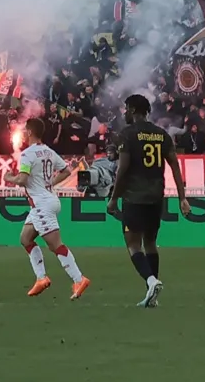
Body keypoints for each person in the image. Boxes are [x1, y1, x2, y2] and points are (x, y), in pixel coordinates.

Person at [105, 93, 189, 308]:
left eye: (126, 109)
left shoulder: (128, 134)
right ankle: (153, 295)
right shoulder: (162, 134)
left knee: (133, 245)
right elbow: (175, 167)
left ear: (133, 110)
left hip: (134, 196)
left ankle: (151, 281)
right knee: (150, 242)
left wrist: (114, 198)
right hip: (156, 197)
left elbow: (122, 170)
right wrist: (182, 198)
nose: (124, 112)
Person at [12, 118, 90, 299]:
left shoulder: (27, 154)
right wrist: (50, 184)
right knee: (25, 238)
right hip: (47, 201)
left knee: (56, 245)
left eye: (25, 130)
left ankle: (79, 279)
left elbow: (22, 179)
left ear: (30, 132)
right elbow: (66, 170)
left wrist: (10, 177)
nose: (23, 133)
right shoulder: (48, 151)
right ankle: (41, 278)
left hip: (41, 205)